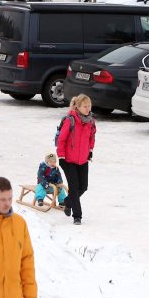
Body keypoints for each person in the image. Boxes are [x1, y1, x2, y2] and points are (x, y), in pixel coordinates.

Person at [55, 94, 97, 225]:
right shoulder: (70, 120)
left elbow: (92, 137)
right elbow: (61, 139)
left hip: (83, 159)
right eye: (85, 106)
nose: (87, 108)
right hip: (68, 159)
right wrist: (61, 156)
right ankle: (77, 216)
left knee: (83, 187)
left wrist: (90, 151)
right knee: (74, 187)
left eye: (89, 106)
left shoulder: (90, 121)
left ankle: (68, 202)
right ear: (78, 107)